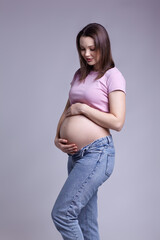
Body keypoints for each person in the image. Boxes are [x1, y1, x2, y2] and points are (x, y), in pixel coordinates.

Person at [51, 23, 126, 240]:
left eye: (92, 48)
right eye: (83, 49)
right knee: (85, 221)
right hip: (76, 156)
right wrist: (57, 138)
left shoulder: (113, 76)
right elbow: (68, 109)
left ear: (104, 46)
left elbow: (118, 121)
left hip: (97, 154)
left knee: (63, 214)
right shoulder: (79, 74)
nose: (87, 54)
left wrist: (84, 108)